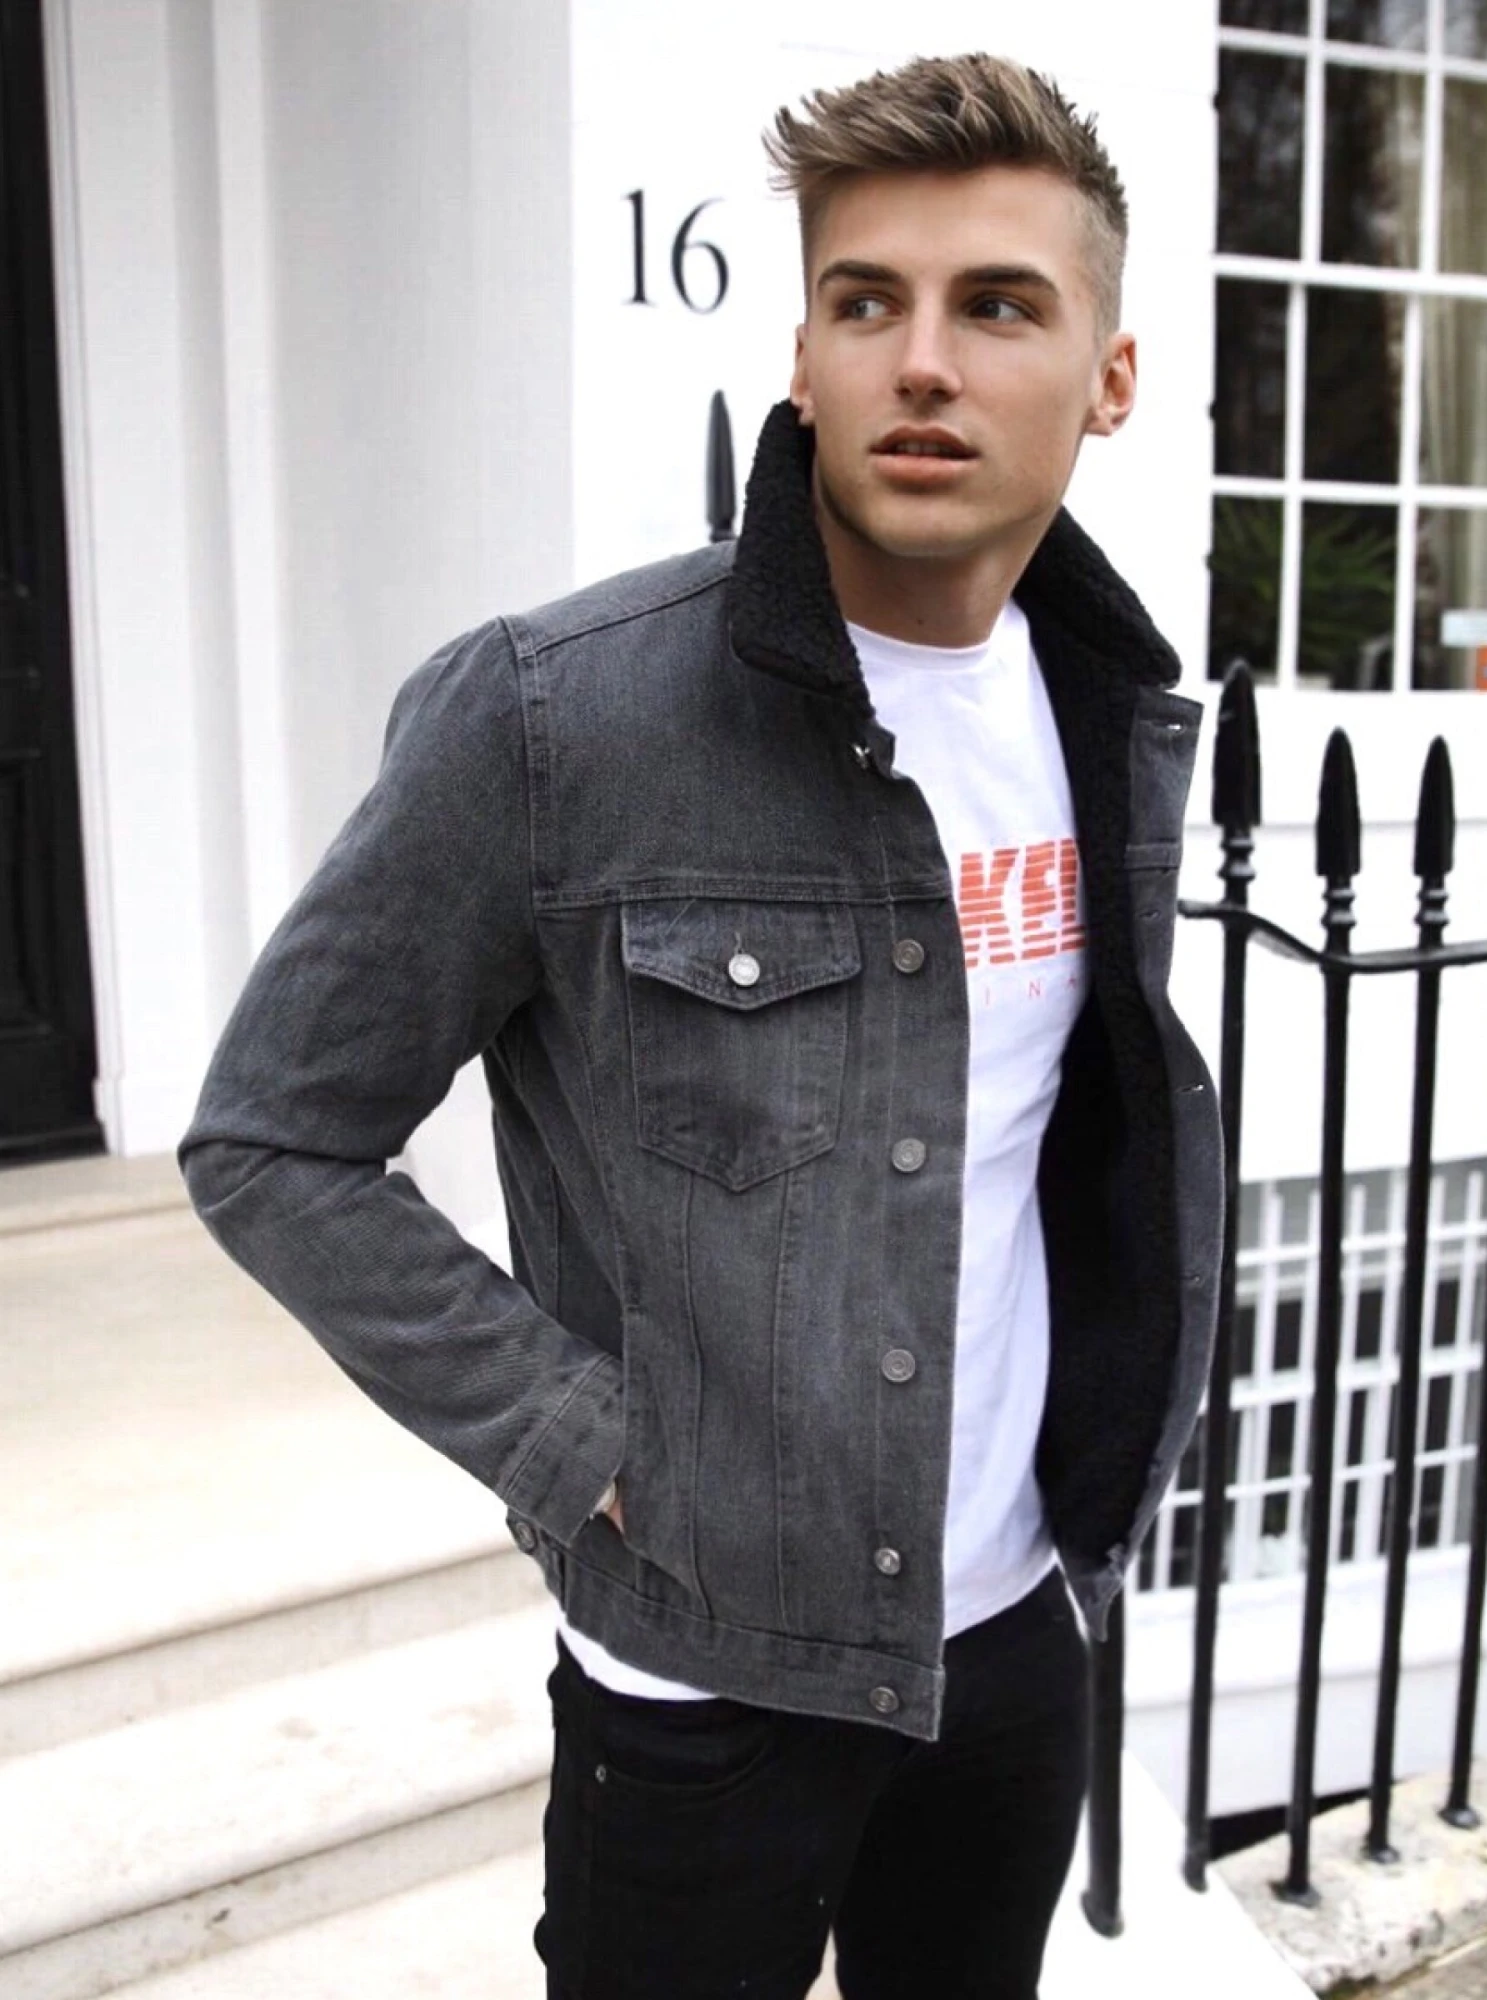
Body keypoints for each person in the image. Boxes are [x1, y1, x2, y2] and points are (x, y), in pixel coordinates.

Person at [181, 50, 1223, 2000]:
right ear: (805, 358)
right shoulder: (553, 717)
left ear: (1110, 377)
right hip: (701, 1677)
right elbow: (271, 1138)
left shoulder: (1104, 711)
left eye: (1000, 304)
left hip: (1011, 1637)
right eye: (866, 301)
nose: (926, 361)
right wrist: (573, 1434)